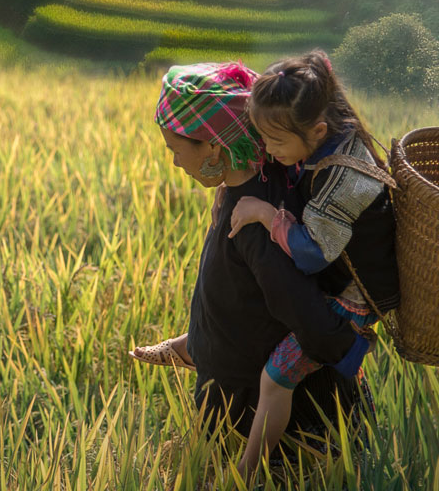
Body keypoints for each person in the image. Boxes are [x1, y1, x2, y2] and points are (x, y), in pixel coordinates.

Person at [141, 56, 382, 475]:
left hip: (273, 430)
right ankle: (195, 344)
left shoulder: (255, 220)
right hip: (231, 395)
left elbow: (305, 313)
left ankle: (244, 472)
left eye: (175, 150)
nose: (175, 162)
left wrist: (343, 349)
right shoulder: (252, 188)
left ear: (213, 145)